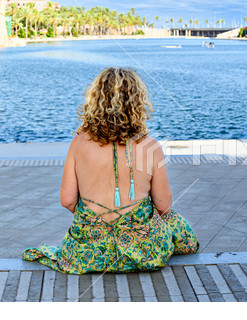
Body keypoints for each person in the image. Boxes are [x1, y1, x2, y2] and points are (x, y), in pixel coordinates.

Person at [22, 67, 199, 274]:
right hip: (143, 252)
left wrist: (96, 221)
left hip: (85, 252)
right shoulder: (151, 147)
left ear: (95, 101)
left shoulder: (79, 144)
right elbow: (164, 205)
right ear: (137, 103)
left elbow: (67, 200)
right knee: (178, 226)